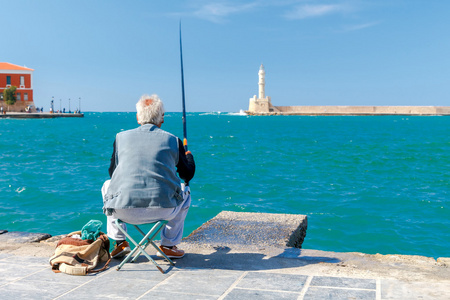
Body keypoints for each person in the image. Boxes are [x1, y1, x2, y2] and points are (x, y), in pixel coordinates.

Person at [102, 94, 195, 259]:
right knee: (184, 190)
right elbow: (187, 175)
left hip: (123, 210)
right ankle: (168, 245)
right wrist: (189, 157)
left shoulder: (120, 138)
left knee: (107, 184)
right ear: (162, 119)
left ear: (138, 118)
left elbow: (112, 173)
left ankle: (120, 242)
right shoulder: (174, 140)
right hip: (164, 210)